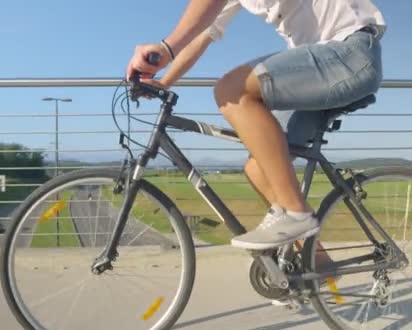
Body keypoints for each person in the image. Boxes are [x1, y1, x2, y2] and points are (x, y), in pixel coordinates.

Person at [126, 0, 385, 250]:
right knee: (258, 168)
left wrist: (166, 47)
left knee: (231, 90)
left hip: (349, 52)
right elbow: (202, 35)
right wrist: (164, 83)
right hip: (321, 67)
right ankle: (314, 272)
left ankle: (296, 212)